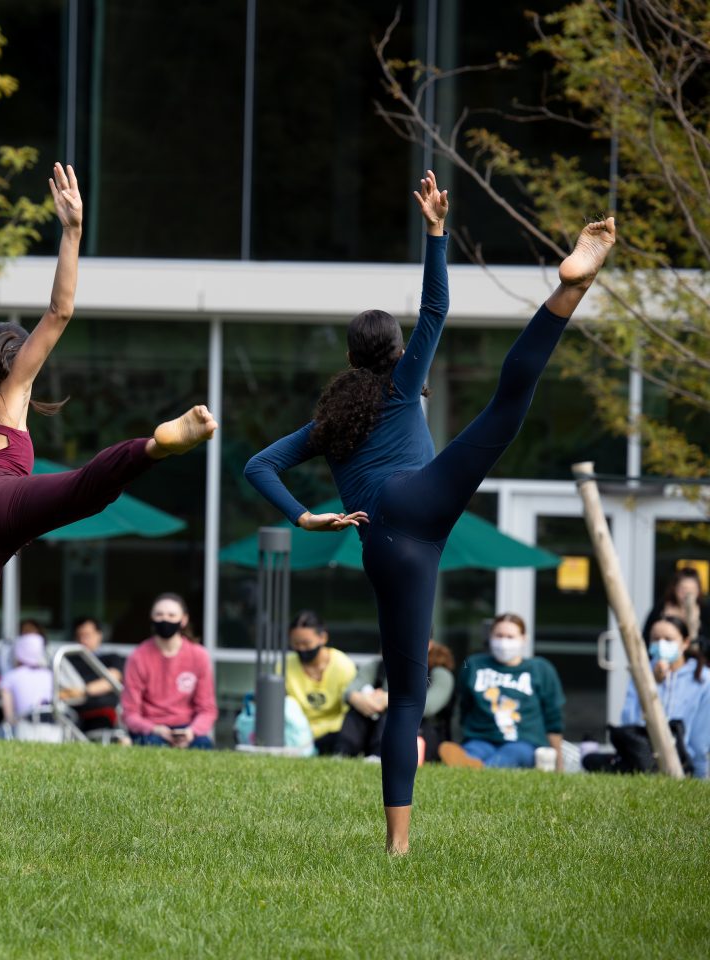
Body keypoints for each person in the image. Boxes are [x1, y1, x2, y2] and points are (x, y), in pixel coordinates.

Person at [244, 169, 616, 853]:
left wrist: (305, 519)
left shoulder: (326, 422)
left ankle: (398, 845)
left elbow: (256, 465)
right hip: (426, 493)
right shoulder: (400, 384)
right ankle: (569, 289)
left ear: (350, 356)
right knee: (504, 412)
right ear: (391, 354)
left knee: (407, 692)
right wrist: (437, 233)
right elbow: (437, 310)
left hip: (382, 537)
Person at [0, 163, 218, 843]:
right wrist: (73, 232)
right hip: (1, 507)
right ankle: (153, 447)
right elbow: (59, 313)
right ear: (13, 363)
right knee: (85, 489)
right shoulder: (11, 390)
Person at [585, 615, 710, 778]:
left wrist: (698, 774)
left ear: (685, 642)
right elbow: (630, 719)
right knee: (592, 761)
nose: (661, 644)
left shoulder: (703, 680)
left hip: (683, 761)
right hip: (643, 755)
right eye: (656, 639)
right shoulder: (642, 672)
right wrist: (654, 684)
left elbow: (700, 738)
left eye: (668, 639)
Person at [441, 613, 566, 770]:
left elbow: (553, 717)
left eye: (510, 636)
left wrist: (558, 761)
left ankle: (479, 769)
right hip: (480, 738)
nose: (503, 642)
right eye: (499, 635)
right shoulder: (473, 664)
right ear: (490, 637)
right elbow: (463, 706)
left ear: (523, 638)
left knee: (511, 755)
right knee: (472, 752)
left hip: (524, 741)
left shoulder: (540, 668)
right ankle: (472, 764)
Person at [121, 594, 217, 750]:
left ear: (183, 619)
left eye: (171, 615)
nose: (165, 619)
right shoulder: (138, 657)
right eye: (159, 614)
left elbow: (207, 709)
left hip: (186, 728)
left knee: (204, 746)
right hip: (151, 729)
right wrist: (154, 729)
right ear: (151, 618)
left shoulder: (199, 656)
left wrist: (191, 732)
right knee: (154, 746)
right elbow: (130, 713)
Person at [336, 639, 456, 761]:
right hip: (375, 726)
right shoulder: (377, 666)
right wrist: (362, 699)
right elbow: (350, 691)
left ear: (427, 645)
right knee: (356, 712)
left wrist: (387, 699)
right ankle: (343, 754)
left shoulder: (439, 674)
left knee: (395, 712)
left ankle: (381, 757)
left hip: (420, 734)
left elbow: (428, 706)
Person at [282, 611, 358, 756]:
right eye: (296, 644)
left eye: (306, 643)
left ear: (323, 638)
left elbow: (349, 713)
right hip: (295, 734)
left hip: (334, 734)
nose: (301, 649)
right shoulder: (284, 666)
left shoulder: (343, 666)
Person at [59, 616, 125, 732]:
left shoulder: (112, 659)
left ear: (99, 635)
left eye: (87, 635)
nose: (83, 640)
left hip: (104, 712)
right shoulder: (68, 661)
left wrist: (83, 691)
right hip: (74, 711)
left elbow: (112, 679)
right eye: (80, 636)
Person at [0, 632, 56, 735]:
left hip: (25, 730)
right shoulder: (50, 675)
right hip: (54, 730)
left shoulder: (10, 677)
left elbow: (9, 717)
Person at [644, 568, 706, 649]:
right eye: (683, 589)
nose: (687, 594)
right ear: (675, 589)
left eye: (692, 590)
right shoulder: (662, 609)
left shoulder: (705, 612)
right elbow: (647, 636)